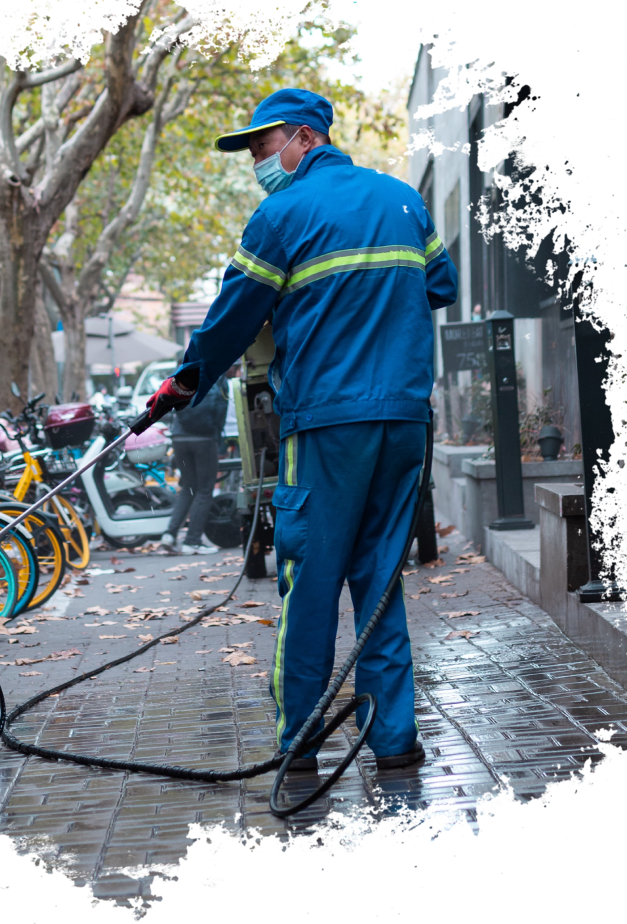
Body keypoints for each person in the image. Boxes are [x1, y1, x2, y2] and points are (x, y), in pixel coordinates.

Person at [144, 89, 458, 772]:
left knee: (311, 578)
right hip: (405, 420)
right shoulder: (402, 199)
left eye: (262, 147)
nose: (258, 162)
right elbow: (442, 284)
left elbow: (233, 317)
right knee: (381, 579)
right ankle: (395, 740)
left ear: (304, 138)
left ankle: (302, 742)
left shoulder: (280, 214)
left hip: (326, 425)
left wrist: (185, 381)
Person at [161, 372, 229, 555]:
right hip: (204, 439)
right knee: (205, 488)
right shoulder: (217, 376)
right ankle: (192, 541)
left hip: (179, 437)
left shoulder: (185, 369)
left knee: (188, 485)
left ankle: (169, 534)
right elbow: (221, 410)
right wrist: (218, 437)